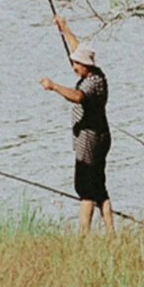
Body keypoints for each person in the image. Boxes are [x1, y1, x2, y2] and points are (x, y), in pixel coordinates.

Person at [39, 12, 114, 234]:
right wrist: (64, 27)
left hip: (89, 142)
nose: (73, 66)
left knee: (86, 190)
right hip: (100, 138)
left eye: (76, 64)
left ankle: (83, 235)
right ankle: (111, 233)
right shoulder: (97, 74)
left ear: (86, 66)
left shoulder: (91, 84)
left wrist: (53, 86)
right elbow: (76, 48)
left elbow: (77, 96)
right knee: (100, 190)